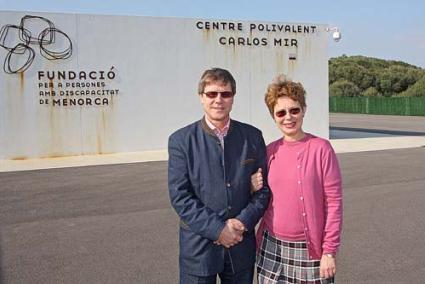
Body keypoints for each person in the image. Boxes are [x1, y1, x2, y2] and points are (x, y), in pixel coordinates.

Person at [168, 67, 271, 283]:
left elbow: (263, 192)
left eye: (225, 94)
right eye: (212, 94)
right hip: (198, 251)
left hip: (240, 247)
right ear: (201, 97)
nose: (218, 100)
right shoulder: (181, 141)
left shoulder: (252, 137)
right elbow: (181, 197)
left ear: (233, 97)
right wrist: (218, 230)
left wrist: (241, 223)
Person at [251, 75, 343, 284]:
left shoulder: (321, 149)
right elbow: (261, 196)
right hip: (271, 248)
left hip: (310, 251)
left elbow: (334, 203)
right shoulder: (268, 152)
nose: (288, 117)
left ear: (303, 110)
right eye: (280, 113)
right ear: (273, 116)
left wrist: (329, 251)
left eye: (294, 110)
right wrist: (251, 186)